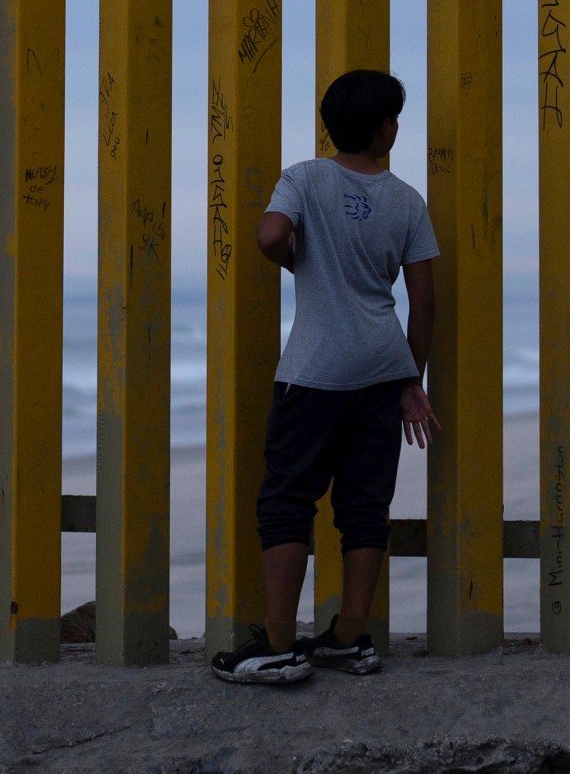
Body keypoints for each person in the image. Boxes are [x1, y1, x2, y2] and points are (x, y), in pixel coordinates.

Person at [210, 69, 439, 685]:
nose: (396, 126)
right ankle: (348, 637)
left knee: (288, 500)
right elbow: (422, 301)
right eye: (394, 118)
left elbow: (268, 235)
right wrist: (411, 380)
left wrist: (296, 261)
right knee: (365, 505)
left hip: (315, 371)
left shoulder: (305, 179)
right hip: (382, 368)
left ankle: (279, 646)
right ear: (382, 126)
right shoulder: (407, 200)